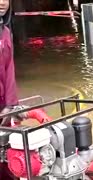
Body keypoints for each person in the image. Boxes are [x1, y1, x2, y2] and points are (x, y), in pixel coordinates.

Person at [0, 0, 19, 179]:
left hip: (2, 104)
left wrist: (11, 104)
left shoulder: (5, 33)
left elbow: (9, 69)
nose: (2, 2)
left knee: (5, 147)